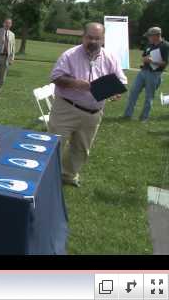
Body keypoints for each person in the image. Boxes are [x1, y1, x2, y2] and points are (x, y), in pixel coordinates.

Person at [48, 22, 127, 188]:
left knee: (81, 149)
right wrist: (75, 83)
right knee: (54, 145)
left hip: (93, 113)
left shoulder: (110, 57)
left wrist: (116, 91)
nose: (93, 41)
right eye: (90, 37)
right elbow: (55, 77)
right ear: (83, 37)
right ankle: (45, 176)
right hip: (67, 108)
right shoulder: (70, 55)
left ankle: (68, 175)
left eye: (97, 38)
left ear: (103, 39)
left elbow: (121, 80)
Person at [123, 26, 169, 121]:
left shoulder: (165, 46)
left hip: (154, 74)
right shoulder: (149, 45)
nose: (148, 38)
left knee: (149, 96)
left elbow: (165, 62)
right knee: (133, 92)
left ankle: (144, 117)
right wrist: (144, 59)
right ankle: (127, 115)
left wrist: (153, 62)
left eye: (150, 36)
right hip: (143, 72)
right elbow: (144, 56)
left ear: (157, 35)